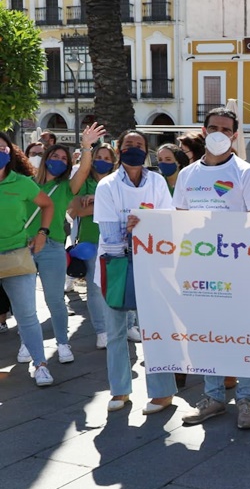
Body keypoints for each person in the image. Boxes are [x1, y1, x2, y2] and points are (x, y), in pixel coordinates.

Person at [175, 108, 250, 430]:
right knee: (206, 335)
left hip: (240, 272)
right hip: (200, 271)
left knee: (245, 336)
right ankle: (213, 396)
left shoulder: (246, 173)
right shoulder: (188, 175)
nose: (219, 132)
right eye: (213, 127)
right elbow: (178, 221)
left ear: (234, 135)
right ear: (203, 130)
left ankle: (245, 399)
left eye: (225, 129)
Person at [94, 129, 178, 414]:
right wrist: (133, 232)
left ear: (146, 150)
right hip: (116, 267)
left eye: (139, 144)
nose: (134, 148)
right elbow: (108, 235)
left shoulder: (157, 182)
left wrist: (141, 228)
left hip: (153, 267)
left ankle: (162, 393)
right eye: (128, 144)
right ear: (119, 150)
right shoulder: (106, 186)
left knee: (156, 331)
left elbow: (168, 221)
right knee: (116, 333)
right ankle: (119, 391)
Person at [18, 124, 103, 366]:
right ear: (45, 159)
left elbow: (84, 170)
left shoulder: (67, 187)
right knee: (25, 303)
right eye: (54, 155)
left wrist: (86, 147)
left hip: (52, 247)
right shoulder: (26, 182)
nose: (58, 160)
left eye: (63, 158)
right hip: (22, 248)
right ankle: (27, 343)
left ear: (67, 165)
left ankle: (63, 343)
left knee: (54, 300)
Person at [0, 133, 55, 385]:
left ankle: (41, 364)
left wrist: (42, 233)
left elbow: (48, 205)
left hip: (16, 256)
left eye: (2, 148)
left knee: (27, 315)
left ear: (10, 153)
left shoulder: (21, 182)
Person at [67, 143, 119, 349]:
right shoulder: (84, 182)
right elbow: (78, 209)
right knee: (95, 288)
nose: (103, 161)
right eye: (100, 157)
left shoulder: (117, 182)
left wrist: (96, 201)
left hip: (116, 242)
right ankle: (101, 330)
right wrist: (108, 205)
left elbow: (123, 209)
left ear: (113, 162)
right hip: (90, 242)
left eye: (108, 158)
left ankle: (128, 325)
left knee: (119, 286)